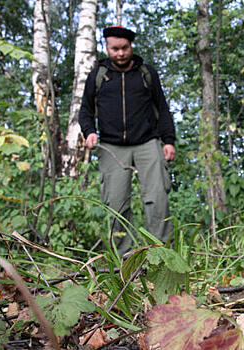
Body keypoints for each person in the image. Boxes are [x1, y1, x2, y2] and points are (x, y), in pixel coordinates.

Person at [79, 26, 176, 256]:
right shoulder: (99, 75)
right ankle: (125, 260)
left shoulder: (146, 73)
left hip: (147, 143)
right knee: (116, 205)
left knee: (157, 198)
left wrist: (168, 140)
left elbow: (162, 109)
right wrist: (89, 131)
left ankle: (161, 254)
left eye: (124, 48)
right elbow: (85, 111)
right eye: (115, 49)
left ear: (131, 47)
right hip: (111, 146)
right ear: (107, 48)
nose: (120, 53)